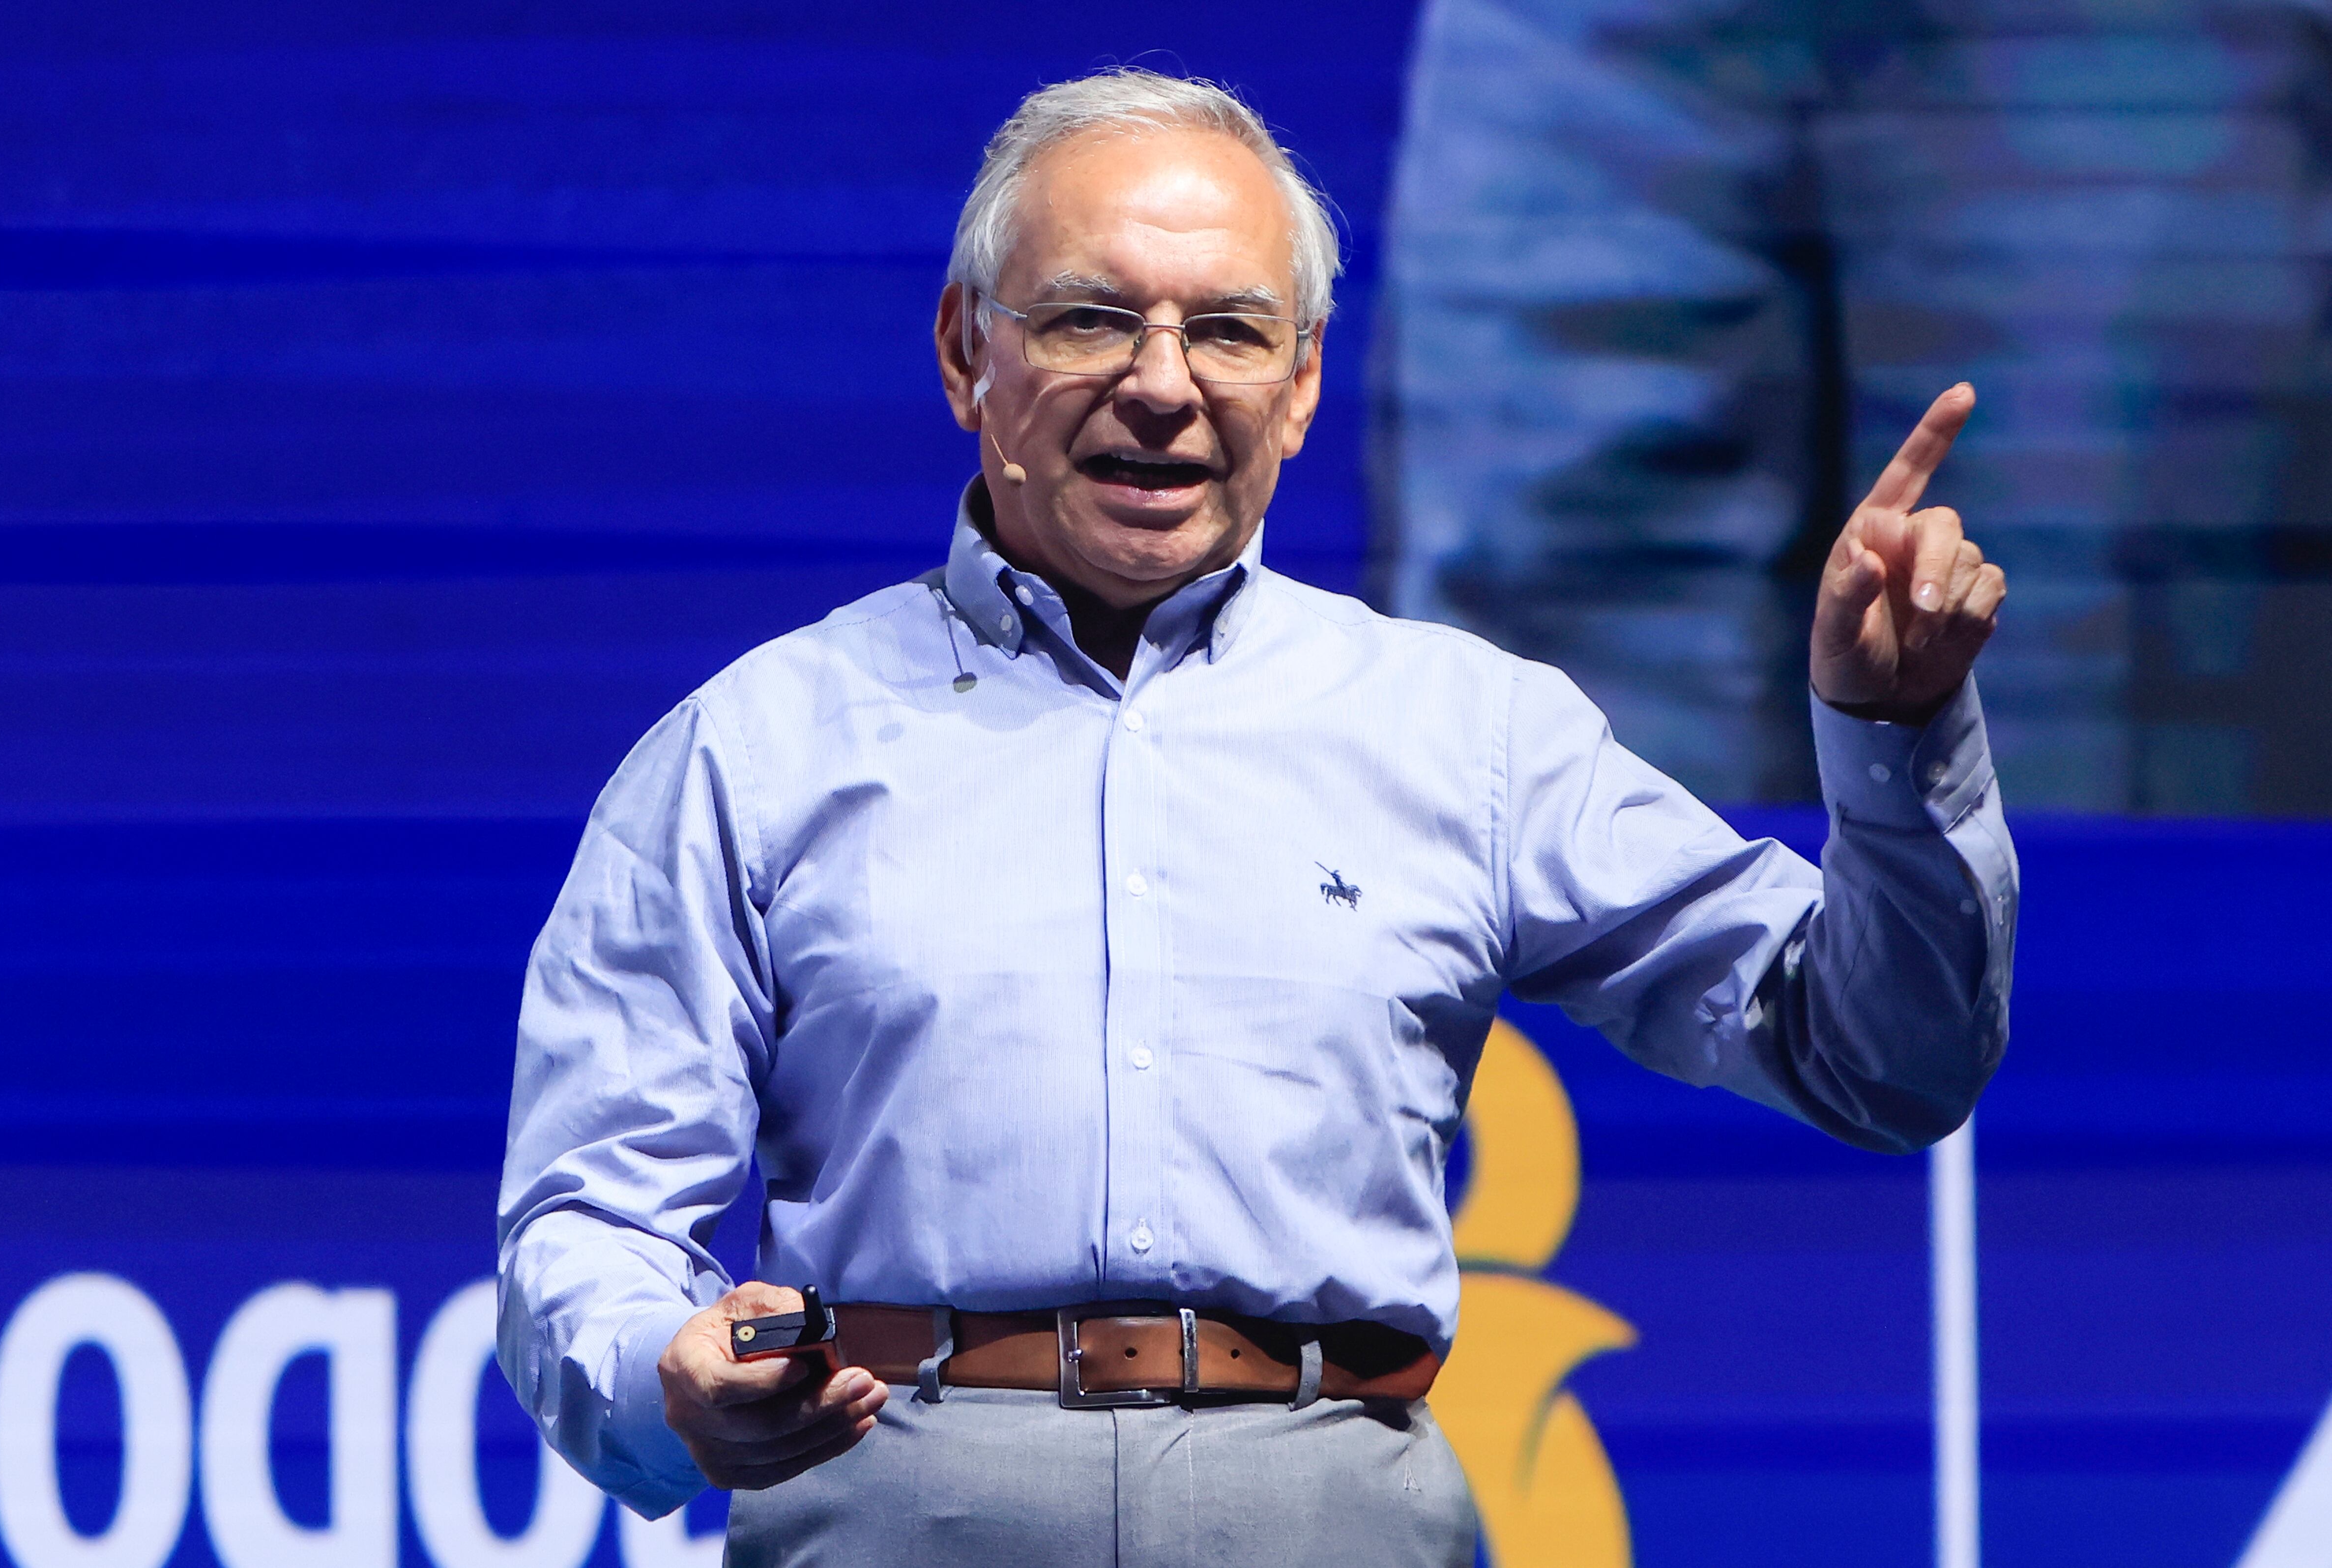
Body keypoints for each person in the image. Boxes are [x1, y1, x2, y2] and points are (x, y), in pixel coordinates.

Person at [498, 68, 2016, 1567]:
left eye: (1229, 330)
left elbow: (1879, 1059)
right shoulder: (751, 748)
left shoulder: (1466, 732)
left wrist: (1891, 742)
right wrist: (665, 1375)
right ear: (969, 353)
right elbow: (587, 1218)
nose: (1163, 383)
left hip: (1335, 1515)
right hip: (894, 1498)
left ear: (1298, 388)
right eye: (1093, 317)